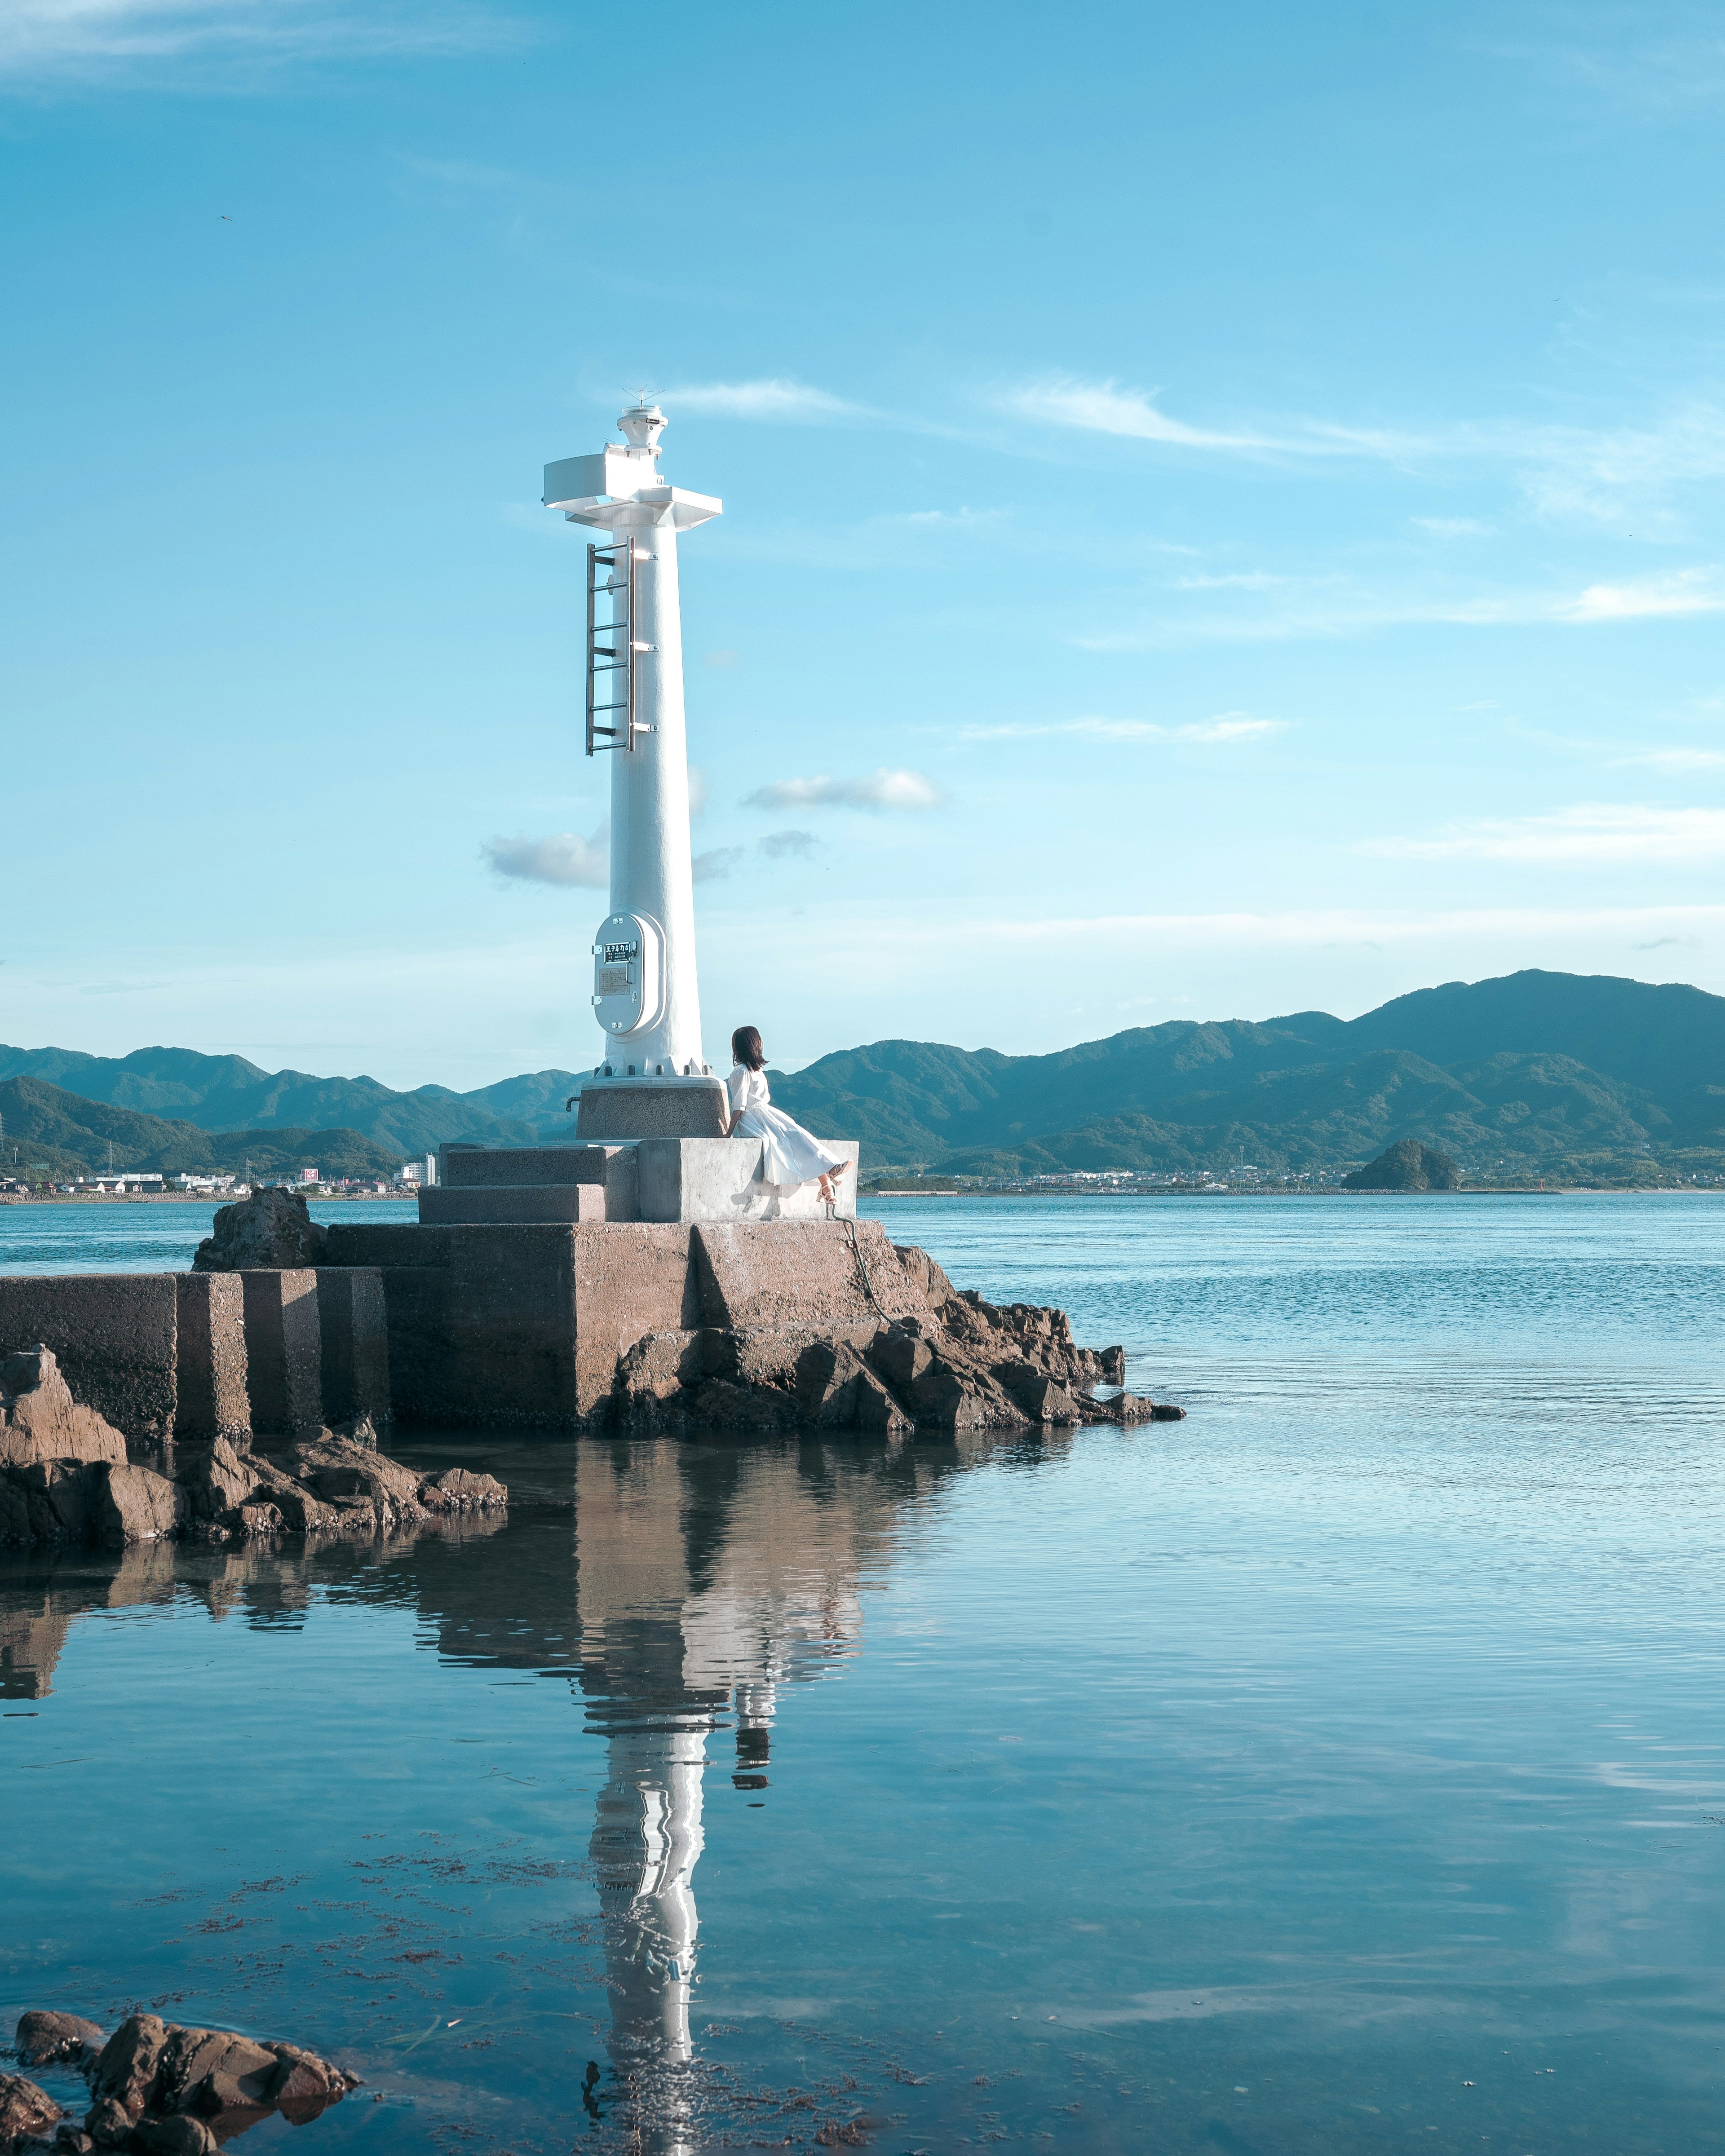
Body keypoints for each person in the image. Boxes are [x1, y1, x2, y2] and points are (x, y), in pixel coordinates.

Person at [725, 1025, 851, 1207]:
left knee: (798, 1136)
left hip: (766, 1114)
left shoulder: (756, 1070)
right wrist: (729, 1133)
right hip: (753, 1119)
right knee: (789, 1141)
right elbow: (740, 1105)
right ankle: (829, 1178)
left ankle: (827, 1181)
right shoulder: (741, 1072)